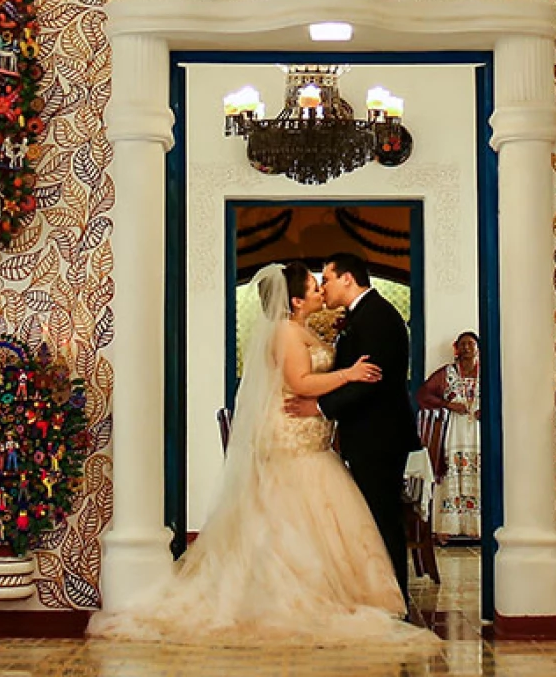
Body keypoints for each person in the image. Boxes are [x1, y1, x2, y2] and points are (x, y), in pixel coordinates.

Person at [87, 263, 435, 649]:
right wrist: (347, 375)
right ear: (297, 299)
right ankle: (293, 595)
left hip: (315, 440)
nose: (321, 289)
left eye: (325, 282)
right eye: (314, 286)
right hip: (293, 438)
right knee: (294, 514)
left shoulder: (308, 328)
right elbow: (299, 382)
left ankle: (340, 593)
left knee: (322, 516)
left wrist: (329, 392)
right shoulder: (286, 332)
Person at [287, 252, 421, 600]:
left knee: (382, 518)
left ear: (348, 278)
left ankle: (395, 598)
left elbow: (369, 382)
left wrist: (318, 406)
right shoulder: (361, 316)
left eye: (327, 279)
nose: (324, 287)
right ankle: (380, 594)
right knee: (370, 519)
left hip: (379, 435)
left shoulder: (377, 318)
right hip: (367, 434)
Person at [415, 331, 482, 542]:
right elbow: (423, 394)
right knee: (452, 471)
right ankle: (448, 527)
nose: (466, 348)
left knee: (479, 473)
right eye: (462, 344)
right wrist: (447, 404)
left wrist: (486, 409)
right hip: (454, 431)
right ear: (456, 348)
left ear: (477, 348)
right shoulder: (447, 373)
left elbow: (503, 394)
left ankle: (477, 527)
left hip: (479, 432)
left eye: (470, 344)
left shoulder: (487, 372)